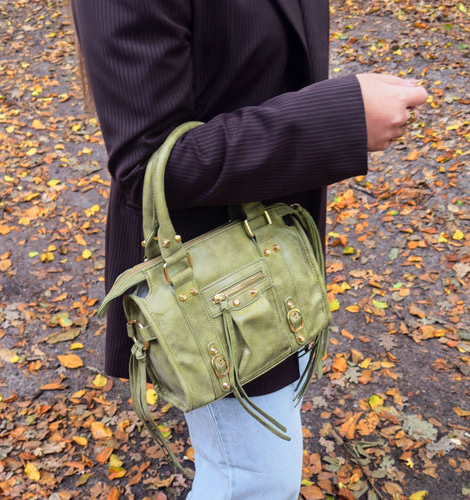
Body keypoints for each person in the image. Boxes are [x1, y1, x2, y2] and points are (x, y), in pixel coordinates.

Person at [70, 1, 428, 498]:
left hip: (276, 251)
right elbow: (147, 161)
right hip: (211, 280)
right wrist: (338, 118)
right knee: (253, 481)